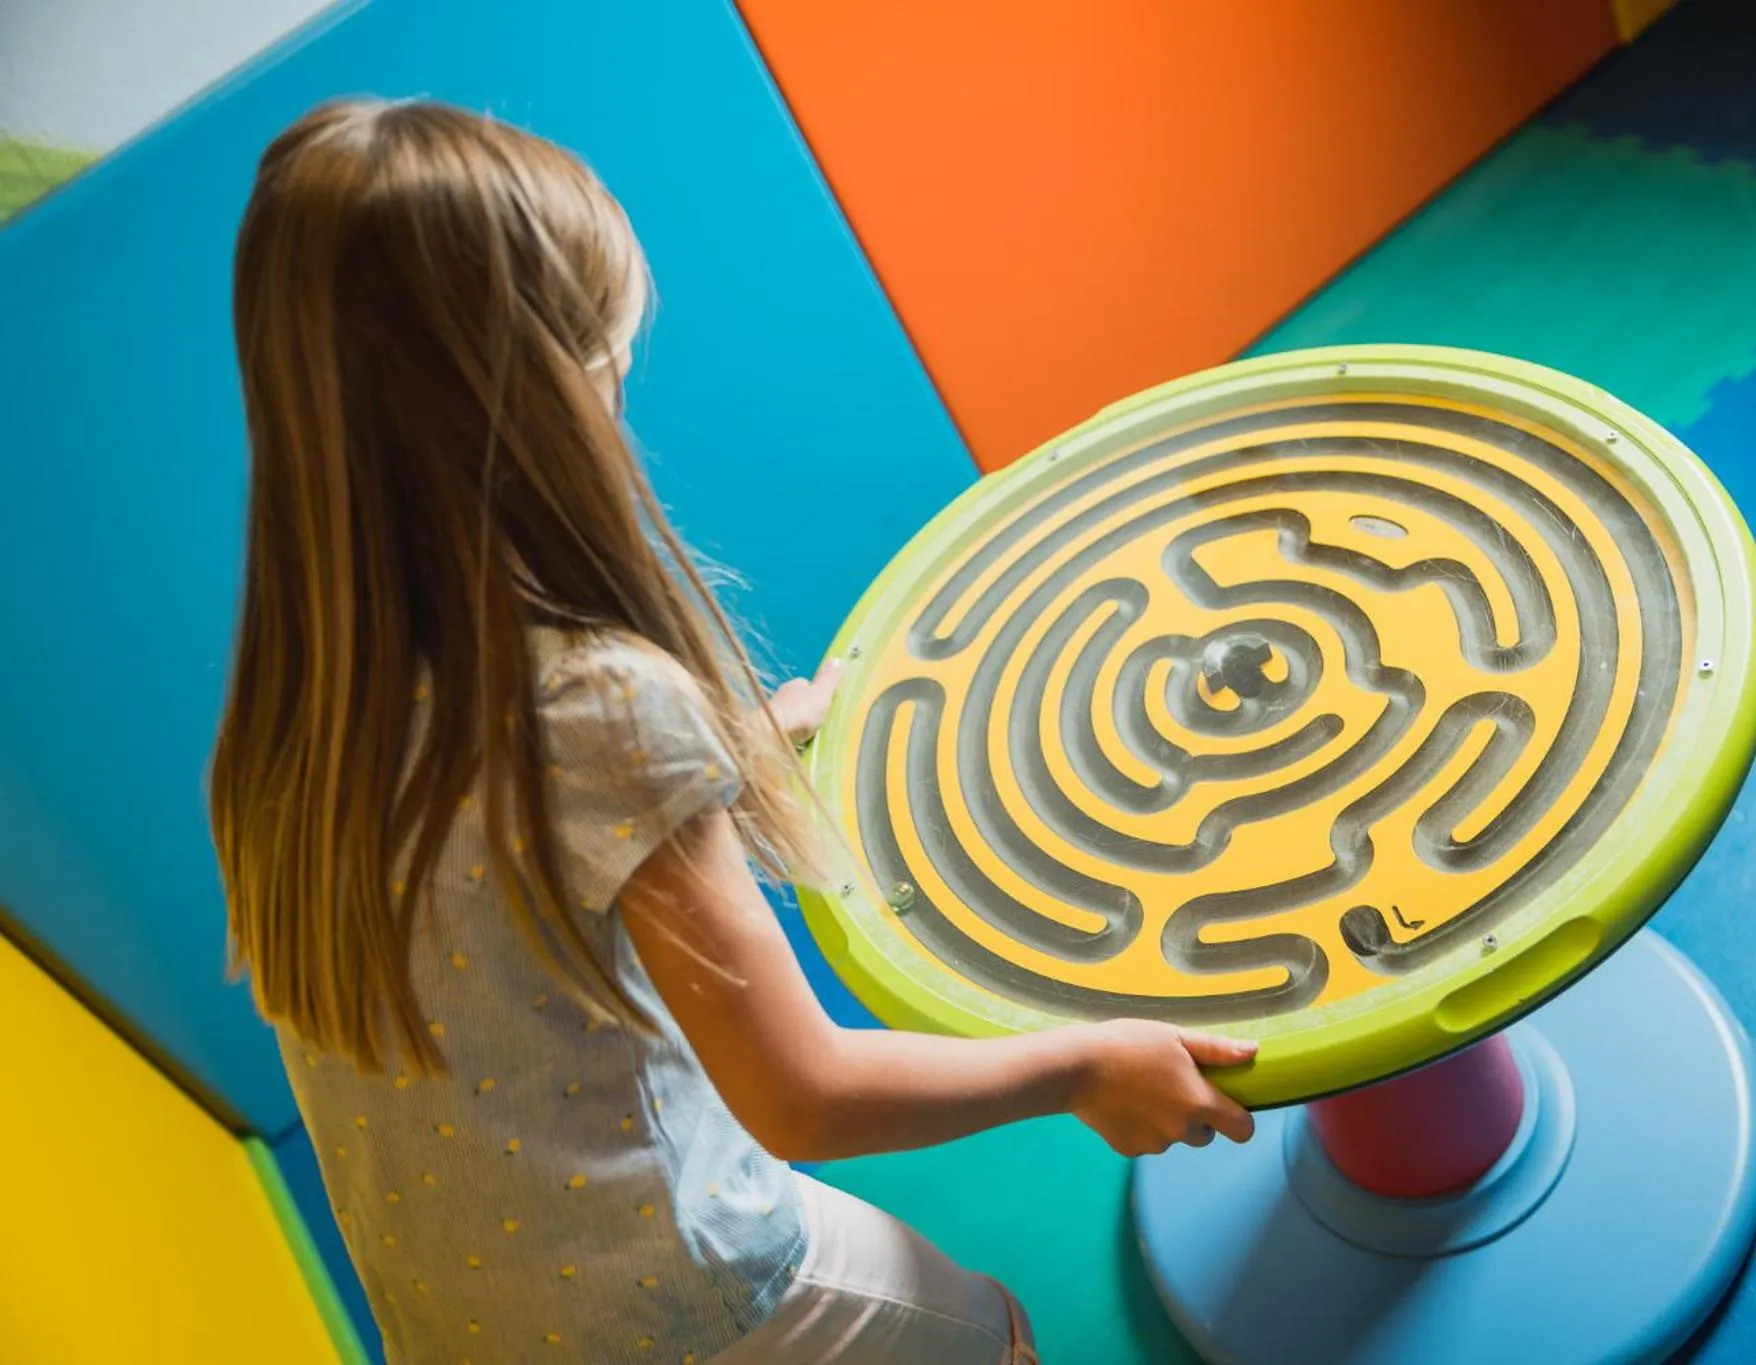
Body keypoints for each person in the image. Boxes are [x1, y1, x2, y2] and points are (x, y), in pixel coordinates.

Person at [209, 97, 1257, 1365]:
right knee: (989, 1337)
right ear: (534, 397)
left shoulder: (288, 726)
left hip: (473, 1327)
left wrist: (724, 755)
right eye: (605, 367)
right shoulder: (598, 712)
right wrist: (1084, 1063)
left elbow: (512, 859)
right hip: (683, 1306)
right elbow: (800, 1094)